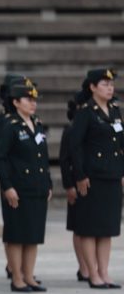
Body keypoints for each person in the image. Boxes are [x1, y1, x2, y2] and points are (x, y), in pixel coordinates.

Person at [68, 68, 123, 289]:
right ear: (92, 87)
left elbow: (119, 145)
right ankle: (92, 273)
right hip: (92, 177)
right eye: (104, 84)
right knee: (91, 228)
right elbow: (75, 146)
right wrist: (80, 175)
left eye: (111, 84)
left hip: (111, 175)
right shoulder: (86, 112)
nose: (110, 88)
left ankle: (104, 271)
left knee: (107, 228)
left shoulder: (115, 111)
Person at [0, 84, 51, 292]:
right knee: (17, 235)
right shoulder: (11, 125)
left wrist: (48, 183)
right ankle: (17, 277)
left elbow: (42, 157)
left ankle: (29, 275)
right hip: (18, 187)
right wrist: (7, 186)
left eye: (35, 100)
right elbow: (1, 159)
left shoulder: (36, 123)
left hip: (36, 187)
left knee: (33, 234)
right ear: (16, 102)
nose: (33, 103)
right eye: (28, 99)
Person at [59, 99, 89, 282]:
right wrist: (69, 185)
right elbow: (65, 160)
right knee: (79, 227)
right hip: (76, 185)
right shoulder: (70, 130)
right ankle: (83, 267)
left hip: (93, 184)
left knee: (91, 227)